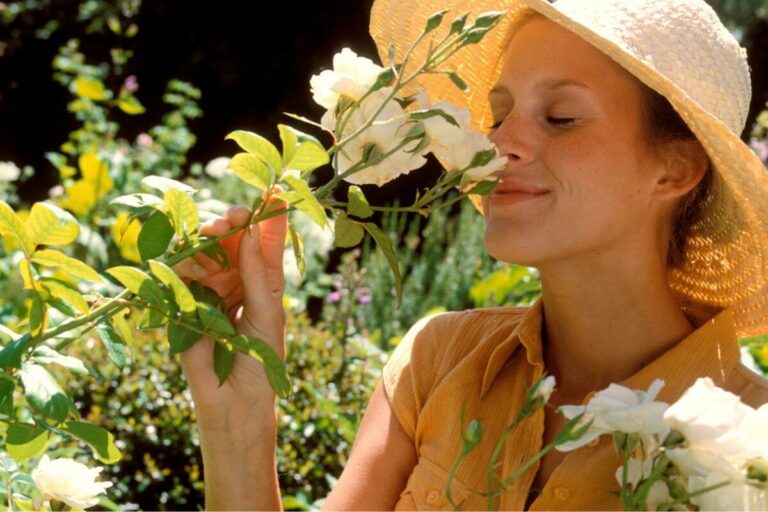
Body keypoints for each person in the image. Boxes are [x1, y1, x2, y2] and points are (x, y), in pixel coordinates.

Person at [174, 0, 768, 509]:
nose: (501, 141)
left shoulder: (752, 443)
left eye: (560, 117)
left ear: (674, 169)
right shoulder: (438, 362)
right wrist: (237, 416)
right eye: (501, 111)